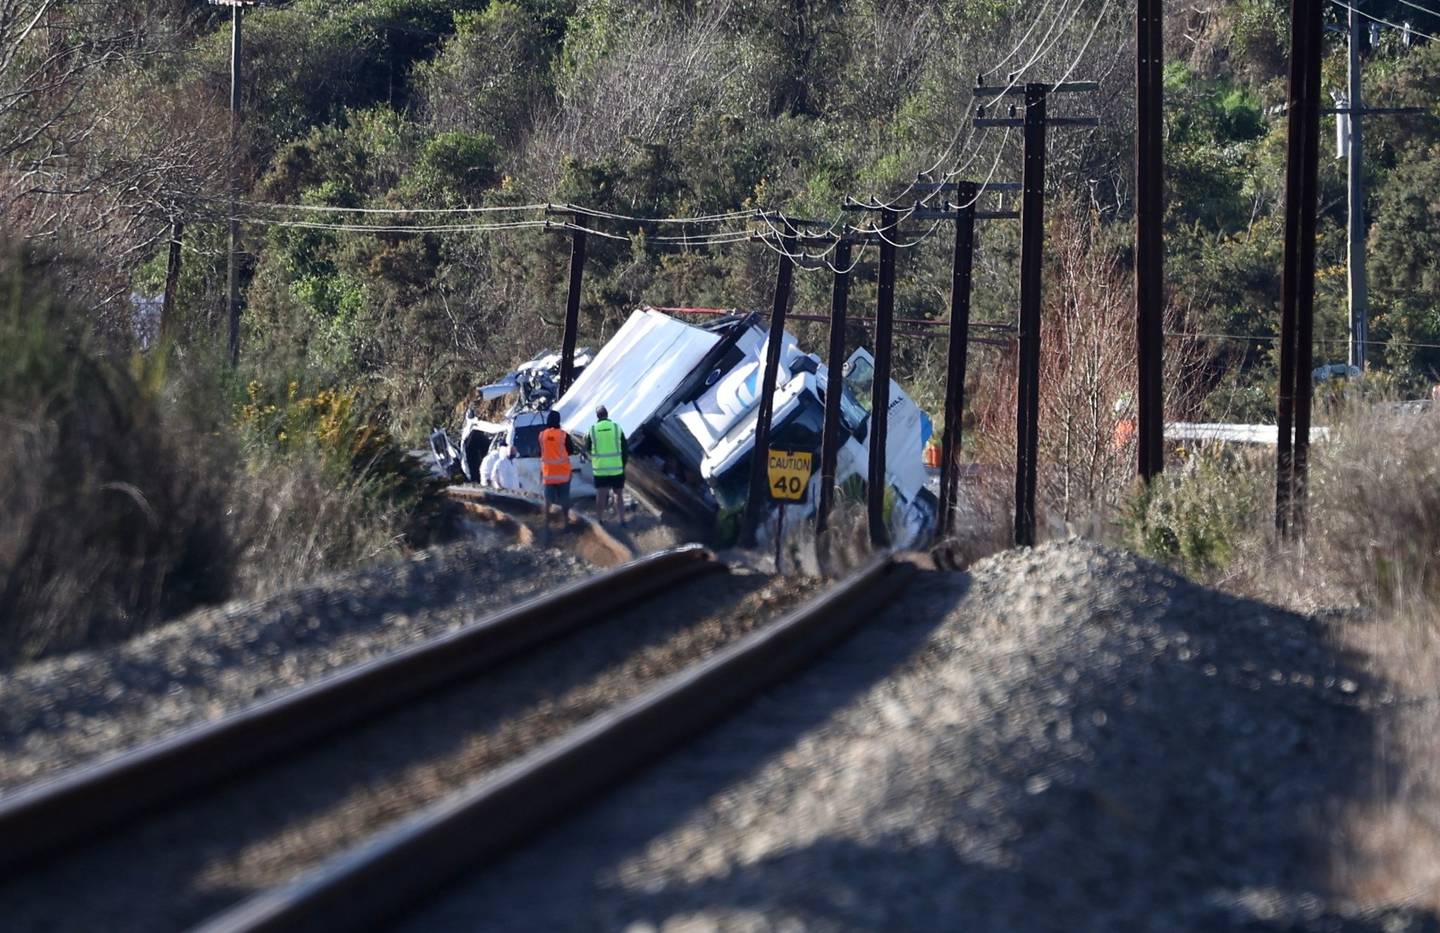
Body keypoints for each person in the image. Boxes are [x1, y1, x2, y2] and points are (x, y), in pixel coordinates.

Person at [586, 405, 628, 527]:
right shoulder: (616, 427)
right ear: (607, 414)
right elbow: (625, 449)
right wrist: (623, 464)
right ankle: (622, 520)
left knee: (601, 495)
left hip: (600, 470)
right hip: (616, 469)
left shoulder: (592, 429)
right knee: (618, 494)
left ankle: (599, 519)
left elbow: (588, 448)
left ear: (597, 416)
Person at [537, 409, 574, 542]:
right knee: (564, 500)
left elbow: (539, 451)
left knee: (548, 501)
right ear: (558, 421)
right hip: (563, 473)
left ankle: (547, 526)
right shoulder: (564, 435)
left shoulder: (542, 436)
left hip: (548, 474)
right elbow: (570, 450)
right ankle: (566, 524)